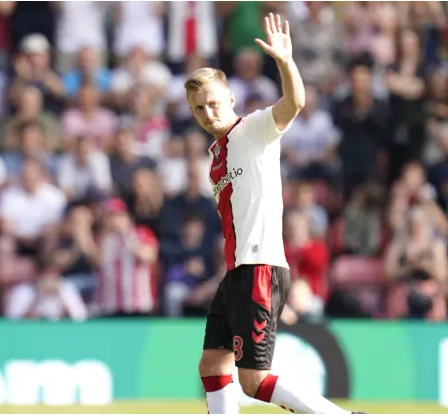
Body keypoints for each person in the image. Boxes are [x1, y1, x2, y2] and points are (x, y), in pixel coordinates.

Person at [184, 13, 364, 415]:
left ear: (231, 99)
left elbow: (294, 103)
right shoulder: (216, 157)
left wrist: (285, 61)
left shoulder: (251, 131)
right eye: (199, 109)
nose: (208, 113)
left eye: (213, 103)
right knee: (212, 364)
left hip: (259, 269)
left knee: (253, 381)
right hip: (237, 272)